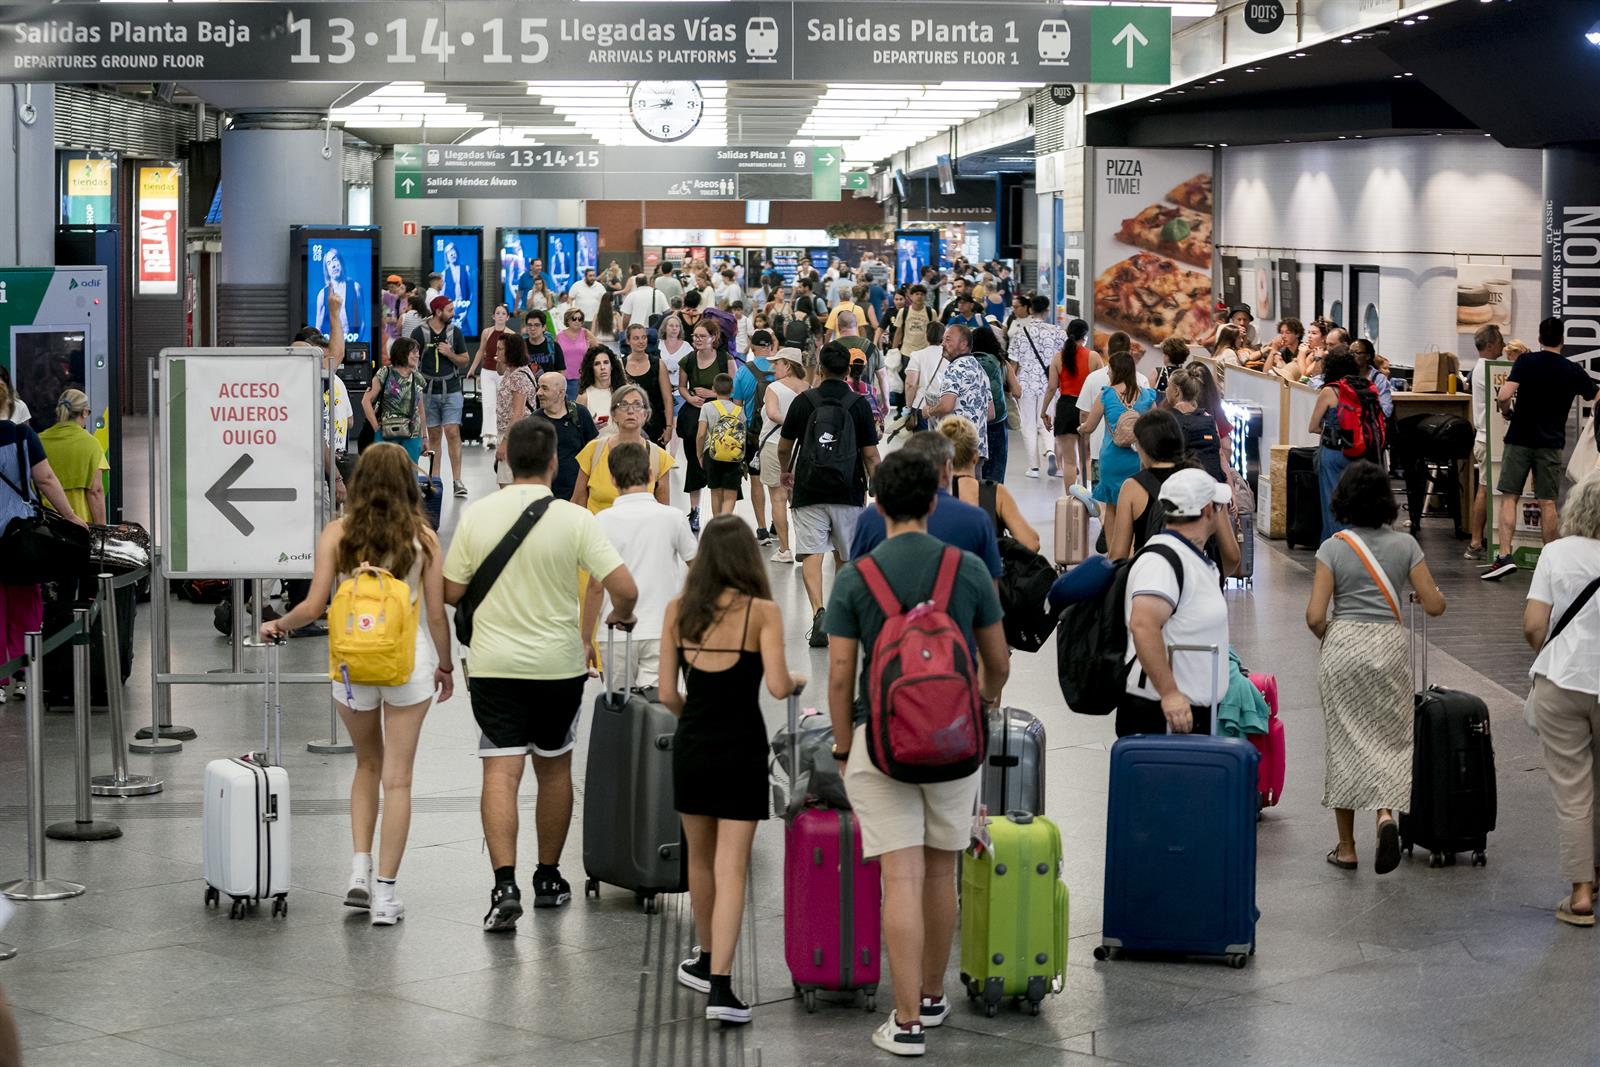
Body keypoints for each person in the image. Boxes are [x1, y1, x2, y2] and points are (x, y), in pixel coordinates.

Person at [823, 450, 1008, 1056]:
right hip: (954, 742)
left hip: (881, 741)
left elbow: (842, 669)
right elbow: (998, 661)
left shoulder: (857, 576)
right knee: (939, 871)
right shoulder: (968, 571)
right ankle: (932, 995)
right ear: (934, 501)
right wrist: (977, 705)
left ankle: (903, 1024)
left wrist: (845, 744)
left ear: (876, 504)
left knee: (898, 875)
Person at [444, 417, 638, 931]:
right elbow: (625, 586)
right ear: (554, 463)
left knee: (500, 772)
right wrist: (617, 617)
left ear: (505, 460)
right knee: (553, 769)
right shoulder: (575, 520)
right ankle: (548, 877)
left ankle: (503, 885)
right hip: (559, 665)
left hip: (493, 666)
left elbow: (450, 592)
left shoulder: (479, 516)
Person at [258, 444, 453, 925]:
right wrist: (446, 665)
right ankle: (386, 895)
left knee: (366, 765)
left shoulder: (336, 535)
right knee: (399, 779)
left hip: (350, 666)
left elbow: (313, 606)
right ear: (408, 484)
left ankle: (359, 873)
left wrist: (277, 625)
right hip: (407, 664)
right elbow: (434, 613)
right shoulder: (423, 539)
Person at [661, 518, 802, 1025]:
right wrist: (801, 677)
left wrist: (695, 717)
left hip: (693, 747)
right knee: (732, 867)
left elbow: (666, 695)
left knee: (699, 861)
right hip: (742, 748)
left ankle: (702, 956)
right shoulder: (762, 613)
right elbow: (781, 686)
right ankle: (721, 988)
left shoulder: (678, 612)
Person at [1306, 460, 1445, 874]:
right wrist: (1427, 598)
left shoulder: (1333, 547)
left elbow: (1315, 616)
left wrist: (1335, 635)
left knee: (1345, 740)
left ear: (1343, 500)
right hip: (1387, 648)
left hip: (1344, 644)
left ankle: (1346, 847)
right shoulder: (1405, 546)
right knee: (1389, 739)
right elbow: (1434, 605)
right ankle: (1385, 815)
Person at [1521, 477, 1600, 924]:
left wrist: (1552, 653)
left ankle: (1581, 893)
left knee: (1574, 789)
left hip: (1563, 681)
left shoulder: (1556, 553)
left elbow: (1534, 624)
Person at [780, 340, 882, 647]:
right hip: (848, 489)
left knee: (812, 551)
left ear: (820, 368)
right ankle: (840, 611)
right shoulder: (858, 404)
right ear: (848, 370)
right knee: (845, 555)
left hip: (809, 486)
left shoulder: (804, 401)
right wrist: (876, 486)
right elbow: (871, 455)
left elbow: (785, 446)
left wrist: (787, 471)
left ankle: (818, 610)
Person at [1484, 317, 1600, 581]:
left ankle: (1504, 556)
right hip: (1551, 443)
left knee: (1510, 496)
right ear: (1563, 340)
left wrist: (1506, 411)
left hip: (1520, 438)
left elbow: (1503, 396)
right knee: (1548, 501)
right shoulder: (1572, 369)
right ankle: (1550, 561)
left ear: (1539, 338)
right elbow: (1597, 395)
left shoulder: (1526, 361)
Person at [1120, 468, 1233, 737]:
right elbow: (1143, 624)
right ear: (1208, 510)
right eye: (1219, 507)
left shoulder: (1190, 557)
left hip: (1187, 713)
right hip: (1165, 716)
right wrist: (1170, 694)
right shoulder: (1162, 562)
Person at [581, 441, 697, 693]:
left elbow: (595, 586)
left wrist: (585, 639)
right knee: (660, 713)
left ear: (613, 480)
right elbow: (699, 569)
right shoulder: (673, 518)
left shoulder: (601, 521)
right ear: (652, 475)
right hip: (662, 630)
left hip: (616, 633)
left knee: (622, 712)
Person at [0, 376, 84, 702]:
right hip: (19, 533)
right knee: (25, 600)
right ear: (9, 404)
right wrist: (71, 516)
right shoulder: (24, 435)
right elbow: (46, 479)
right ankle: (23, 675)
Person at [850, 430, 1003, 579]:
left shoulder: (869, 518)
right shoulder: (977, 520)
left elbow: (855, 579)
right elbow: (991, 588)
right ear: (948, 468)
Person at [1080, 351, 1159, 541]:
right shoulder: (1147, 396)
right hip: (1138, 460)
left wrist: (1081, 427)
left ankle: (1114, 556)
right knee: (1136, 507)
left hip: (1112, 458)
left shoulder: (1106, 395)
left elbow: (1089, 427)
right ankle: (1132, 551)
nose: (1107, 374)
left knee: (1112, 509)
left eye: (1109, 370)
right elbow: (1156, 424)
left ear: (1116, 371)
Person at [935, 418, 1039, 553]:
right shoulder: (995, 493)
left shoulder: (931, 497)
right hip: (986, 570)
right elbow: (1031, 543)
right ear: (976, 456)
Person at [573, 383, 677, 514]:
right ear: (613, 414)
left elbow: (663, 512)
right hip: (599, 531)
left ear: (646, 414)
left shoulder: (660, 458)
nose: (630, 411)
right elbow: (578, 501)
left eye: (637, 405)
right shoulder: (593, 450)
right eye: (623, 405)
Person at [677, 320, 736, 533]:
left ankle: (721, 516)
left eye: (702, 336)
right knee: (694, 463)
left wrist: (713, 394)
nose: (697, 340)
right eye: (695, 336)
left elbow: (734, 388)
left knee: (719, 463)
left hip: (720, 416)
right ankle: (695, 510)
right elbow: (682, 387)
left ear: (713, 338)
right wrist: (690, 399)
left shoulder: (725, 360)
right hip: (695, 415)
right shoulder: (689, 360)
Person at [411, 295, 470, 498]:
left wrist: (450, 353)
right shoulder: (419, 332)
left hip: (451, 388)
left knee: (453, 431)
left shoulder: (455, 332)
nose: (453, 313)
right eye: (450, 310)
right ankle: (435, 479)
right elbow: (411, 360)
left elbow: (464, 360)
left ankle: (457, 480)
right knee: (434, 435)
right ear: (438, 312)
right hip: (427, 391)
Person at [1307, 346, 1363, 545]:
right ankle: (1357, 544)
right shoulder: (1362, 388)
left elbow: (1313, 426)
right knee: (1353, 503)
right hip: (1359, 452)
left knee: (1332, 503)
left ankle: (1336, 546)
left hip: (1332, 453)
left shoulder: (1330, 391)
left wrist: (1331, 430)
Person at [1466, 325, 1512, 560]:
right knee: (1484, 489)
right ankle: (1475, 542)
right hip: (1488, 438)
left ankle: (1481, 541)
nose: (1504, 345)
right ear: (1491, 344)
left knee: (1486, 488)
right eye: (1501, 341)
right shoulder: (1489, 369)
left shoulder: (1480, 369)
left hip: (1486, 437)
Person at [758, 349, 807, 564]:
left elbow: (771, 413)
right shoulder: (808, 389)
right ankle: (805, 548)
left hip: (774, 446)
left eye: (776, 363)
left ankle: (785, 549)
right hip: (802, 448)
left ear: (787, 365)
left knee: (778, 498)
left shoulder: (773, 388)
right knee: (799, 500)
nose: (772, 368)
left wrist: (791, 423)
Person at [1008, 295, 1063, 480]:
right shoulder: (1057, 332)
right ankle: (1050, 451)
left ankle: (1033, 468)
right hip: (1050, 384)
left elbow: (1013, 364)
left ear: (1030, 310)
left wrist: (1011, 385)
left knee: (1028, 425)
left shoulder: (1020, 333)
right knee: (1047, 421)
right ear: (1047, 311)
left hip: (1026, 384)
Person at [732, 329, 778, 542]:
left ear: (752, 347)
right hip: (778, 432)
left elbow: (737, 408)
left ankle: (761, 527)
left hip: (754, 434)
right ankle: (778, 524)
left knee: (757, 481)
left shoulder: (743, 372)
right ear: (770, 346)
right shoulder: (780, 369)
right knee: (778, 482)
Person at [37, 389, 107, 524]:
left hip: (46, 524)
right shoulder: (91, 444)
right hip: (81, 525)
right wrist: (101, 530)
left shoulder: (40, 440)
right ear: (84, 412)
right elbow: (95, 491)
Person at [923, 324, 993, 461]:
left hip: (956, 449)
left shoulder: (955, 368)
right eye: (943, 339)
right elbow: (990, 413)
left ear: (963, 344)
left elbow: (946, 406)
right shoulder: (980, 370)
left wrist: (929, 411)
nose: (943, 344)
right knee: (973, 482)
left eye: (948, 339)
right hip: (977, 449)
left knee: (954, 483)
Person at [1047, 319, 1102, 487]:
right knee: (1087, 457)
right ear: (1085, 336)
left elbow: (1051, 388)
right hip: (1087, 408)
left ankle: (1071, 502)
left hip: (1065, 408)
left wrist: (1043, 412)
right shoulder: (1093, 357)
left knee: (1069, 462)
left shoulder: (1058, 358)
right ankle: (1088, 497)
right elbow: (1102, 384)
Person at [532, 371, 598, 502]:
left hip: (578, 494)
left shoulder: (579, 414)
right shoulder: (534, 421)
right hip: (546, 496)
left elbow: (593, 451)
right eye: (538, 387)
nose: (538, 393)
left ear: (561, 393)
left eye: (544, 388)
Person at [363, 337, 427, 463]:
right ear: (402, 353)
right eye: (413, 352)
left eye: (418, 352)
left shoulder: (417, 378)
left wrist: (424, 437)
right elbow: (365, 401)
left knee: (410, 474)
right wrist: (376, 428)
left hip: (412, 434)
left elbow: (421, 410)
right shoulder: (384, 373)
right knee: (384, 473)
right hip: (386, 433)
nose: (417, 355)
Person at [969, 325, 1016, 482]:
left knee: (972, 466)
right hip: (997, 419)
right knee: (996, 466)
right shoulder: (1002, 363)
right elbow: (1017, 391)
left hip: (972, 421)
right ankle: (993, 501)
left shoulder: (966, 362)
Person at [695, 373, 744, 519]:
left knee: (715, 492)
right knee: (730, 493)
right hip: (733, 456)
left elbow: (701, 434)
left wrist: (699, 453)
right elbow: (742, 435)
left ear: (713, 389)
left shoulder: (707, 407)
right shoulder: (739, 410)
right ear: (732, 390)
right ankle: (726, 522)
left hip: (712, 453)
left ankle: (717, 523)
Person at [1165, 366, 1226, 482]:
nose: (1166, 390)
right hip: (1212, 484)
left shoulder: (1166, 419)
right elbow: (1220, 454)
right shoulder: (1207, 418)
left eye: (1168, 386)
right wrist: (1230, 487)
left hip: (1182, 485)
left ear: (1176, 391)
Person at [491, 332, 535, 488]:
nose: (497, 353)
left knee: (508, 484)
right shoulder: (512, 370)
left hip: (515, 436)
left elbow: (517, 414)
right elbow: (499, 371)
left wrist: (504, 444)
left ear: (512, 351)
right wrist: (501, 360)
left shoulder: (518, 377)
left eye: (501, 349)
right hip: (512, 433)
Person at [619, 323, 675, 449]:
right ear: (628, 341)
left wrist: (669, 427)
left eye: (644, 337)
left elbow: (667, 398)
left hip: (655, 423)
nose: (641, 341)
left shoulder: (659, 364)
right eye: (636, 338)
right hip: (629, 423)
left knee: (656, 465)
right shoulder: (620, 366)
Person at [468, 304, 514, 450]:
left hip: (503, 372)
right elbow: (481, 351)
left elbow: (512, 356)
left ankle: (503, 433)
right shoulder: (486, 332)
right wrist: (472, 369)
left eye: (503, 313)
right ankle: (489, 435)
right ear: (493, 316)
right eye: (498, 313)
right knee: (488, 404)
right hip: (487, 371)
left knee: (503, 403)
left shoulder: (511, 335)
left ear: (507, 317)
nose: (500, 315)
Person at [901, 320, 947, 433]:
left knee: (922, 446)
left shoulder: (917, 356)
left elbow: (910, 384)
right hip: (944, 406)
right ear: (944, 336)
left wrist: (908, 407)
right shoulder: (950, 356)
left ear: (926, 335)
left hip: (922, 407)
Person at [313, 245, 365, 343]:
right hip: (330, 348)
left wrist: (356, 346)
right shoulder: (322, 294)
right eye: (328, 263)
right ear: (327, 270)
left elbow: (362, 323)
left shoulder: (355, 287)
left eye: (334, 260)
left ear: (340, 261)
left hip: (351, 346)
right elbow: (317, 329)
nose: (333, 265)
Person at [578, 345, 618, 440]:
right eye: (597, 364)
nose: (602, 367)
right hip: (596, 448)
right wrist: (590, 429)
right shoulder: (583, 397)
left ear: (612, 366)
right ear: (591, 368)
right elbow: (576, 433)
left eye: (606, 362)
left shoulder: (623, 391)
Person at [555, 307, 595, 403]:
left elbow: (598, 349)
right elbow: (555, 356)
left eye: (580, 319)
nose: (577, 321)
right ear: (567, 320)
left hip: (582, 378)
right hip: (564, 378)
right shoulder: (559, 336)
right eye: (574, 318)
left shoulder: (586, 333)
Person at [522, 311, 565, 378]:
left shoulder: (553, 346)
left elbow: (561, 371)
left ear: (544, 327)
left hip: (549, 386)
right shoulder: (521, 346)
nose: (532, 328)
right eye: (529, 325)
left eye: (537, 325)